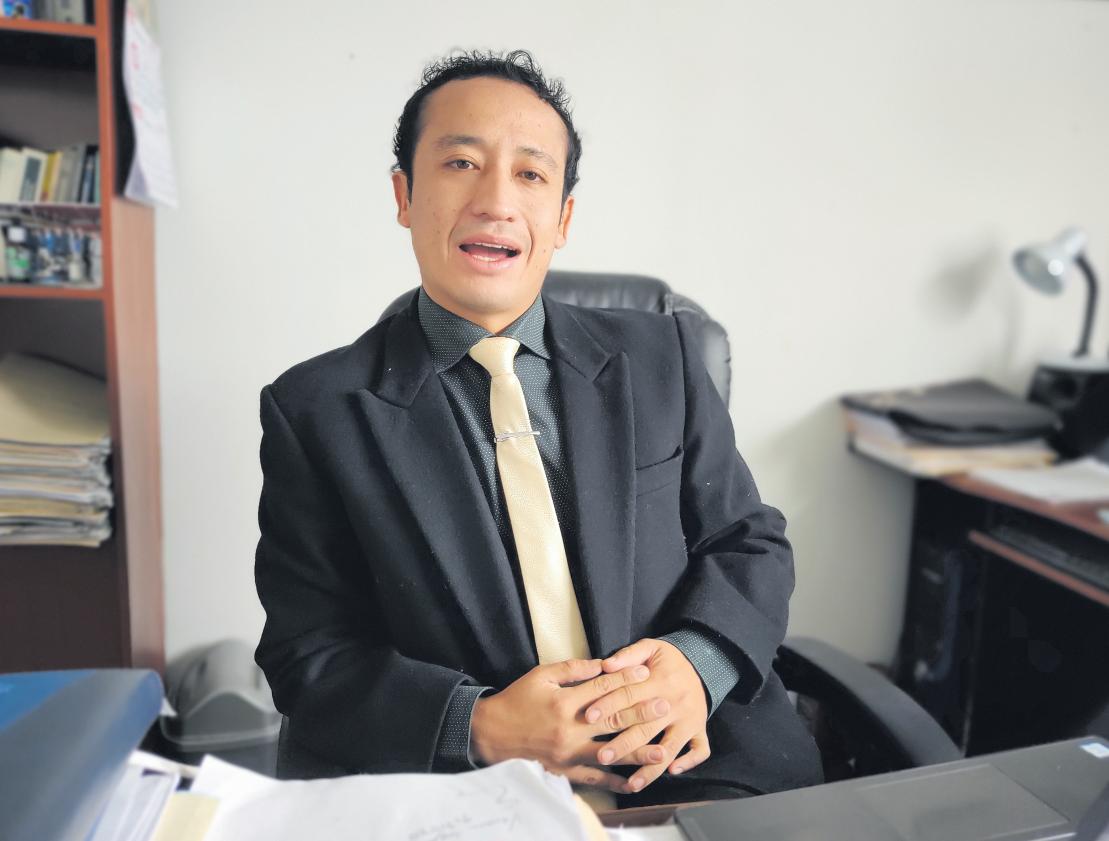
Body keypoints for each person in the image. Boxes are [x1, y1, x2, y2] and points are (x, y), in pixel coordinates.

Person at [254, 49, 822, 807]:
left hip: (697, 762)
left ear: (562, 219)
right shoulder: (316, 410)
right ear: (404, 194)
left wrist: (698, 665)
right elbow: (308, 653)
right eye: (461, 163)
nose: (496, 201)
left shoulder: (664, 357)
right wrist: (478, 724)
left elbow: (749, 540)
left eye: (530, 174)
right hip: (473, 788)